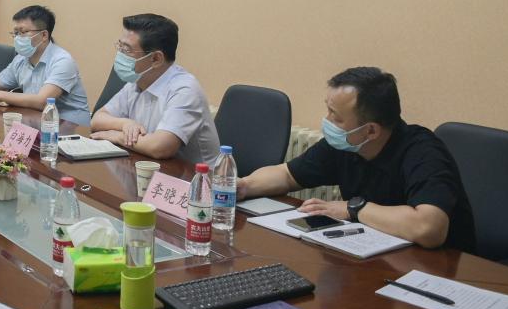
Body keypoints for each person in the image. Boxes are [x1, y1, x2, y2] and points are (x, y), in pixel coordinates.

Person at [237, 67, 476, 251]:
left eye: (336, 117)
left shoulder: (424, 152)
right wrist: (244, 186)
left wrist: (355, 209)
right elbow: (287, 175)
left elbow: (428, 228)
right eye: (328, 110)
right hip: (377, 256)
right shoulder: (346, 144)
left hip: (441, 273)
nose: (327, 121)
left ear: (370, 131)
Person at [90, 13, 221, 165]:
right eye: (120, 46)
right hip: (151, 168)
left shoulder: (185, 89)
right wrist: (125, 124)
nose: (119, 55)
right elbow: (97, 119)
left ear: (156, 59)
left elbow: (160, 147)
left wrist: (117, 136)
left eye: (126, 50)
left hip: (195, 177)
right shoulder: (137, 81)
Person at [0, 5, 91, 125]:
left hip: (70, 127)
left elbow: (42, 102)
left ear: (44, 35)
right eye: (16, 33)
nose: (17, 38)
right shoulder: (20, 59)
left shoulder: (62, 61)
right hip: (37, 121)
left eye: (23, 32)